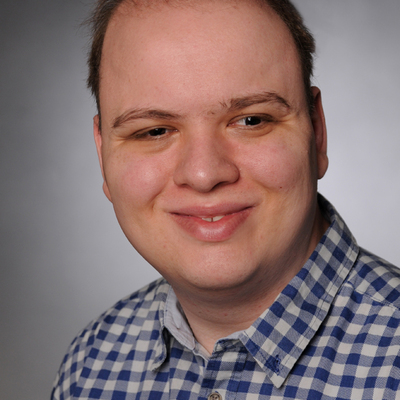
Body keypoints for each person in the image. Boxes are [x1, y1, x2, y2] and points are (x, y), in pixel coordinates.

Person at [52, 0, 400, 399]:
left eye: (251, 120)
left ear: (317, 132)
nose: (204, 174)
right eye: (154, 131)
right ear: (103, 157)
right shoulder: (89, 365)